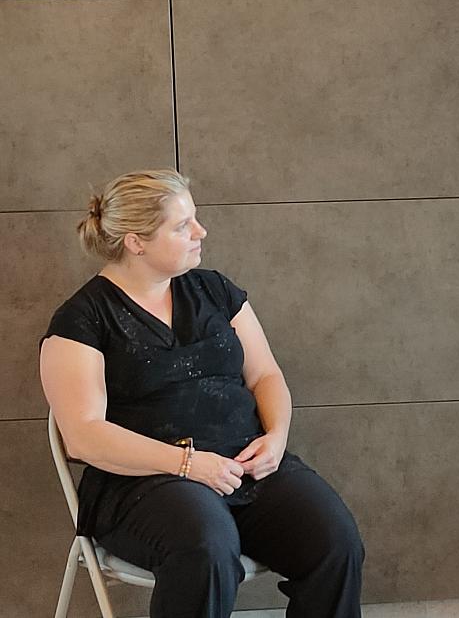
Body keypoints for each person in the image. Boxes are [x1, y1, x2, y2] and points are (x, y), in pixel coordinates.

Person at [40, 169, 364, 618]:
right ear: (136, 242)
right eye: (182, 226)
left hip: (243, 466)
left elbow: (265, 375)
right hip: (145, 483)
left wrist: (276, 437)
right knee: (207, 548)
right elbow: (83, 436)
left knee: (335, 541)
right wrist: (187, 464)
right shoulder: (83, 319)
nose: (200, 231)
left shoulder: (215, 290)